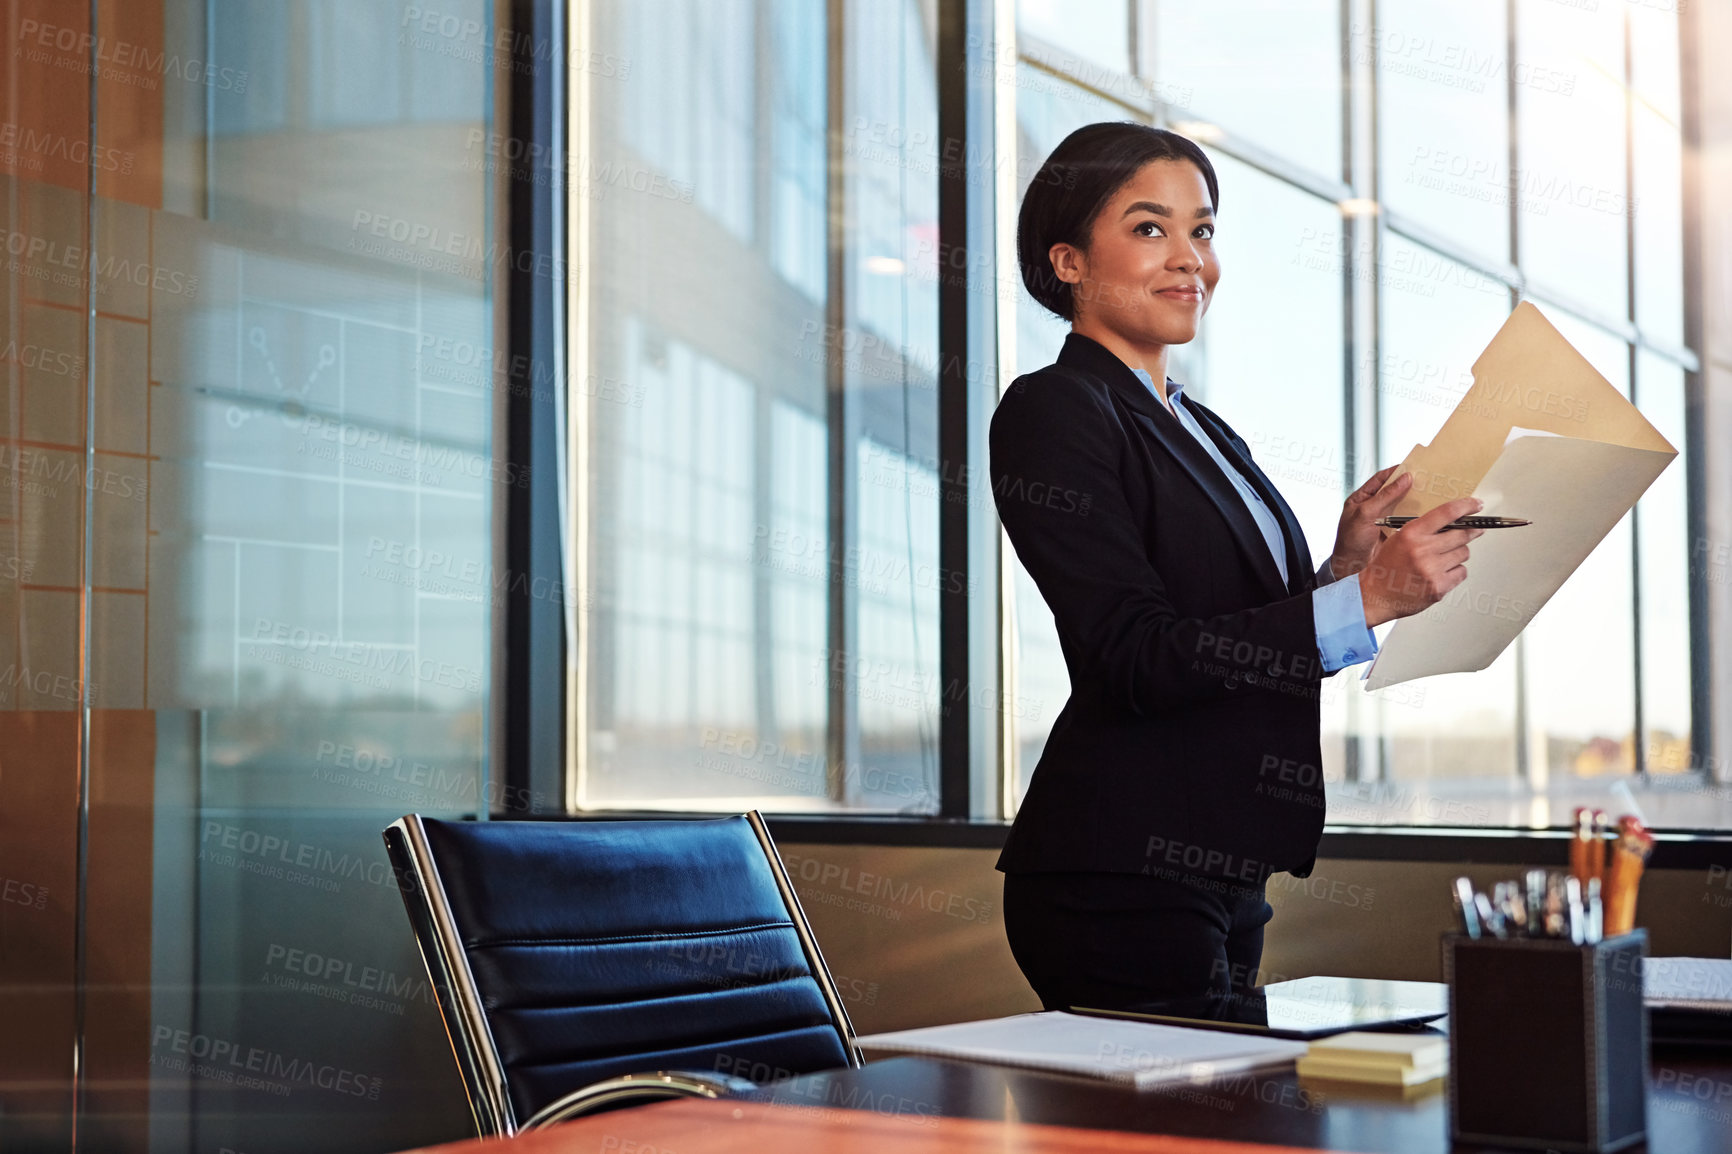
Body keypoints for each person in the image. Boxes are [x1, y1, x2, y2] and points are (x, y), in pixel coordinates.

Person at [993, 121, 1483, 1012]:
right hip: (1120, 867)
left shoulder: (1205, 429)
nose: (1190, 259)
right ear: (1067, 261)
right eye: (1150, 229)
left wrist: (1344, 570)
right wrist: (1368, 600)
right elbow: (1132, 653)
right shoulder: (1053, 411)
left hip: (1224, 861)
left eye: (1203, 230)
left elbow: (1234, 631)